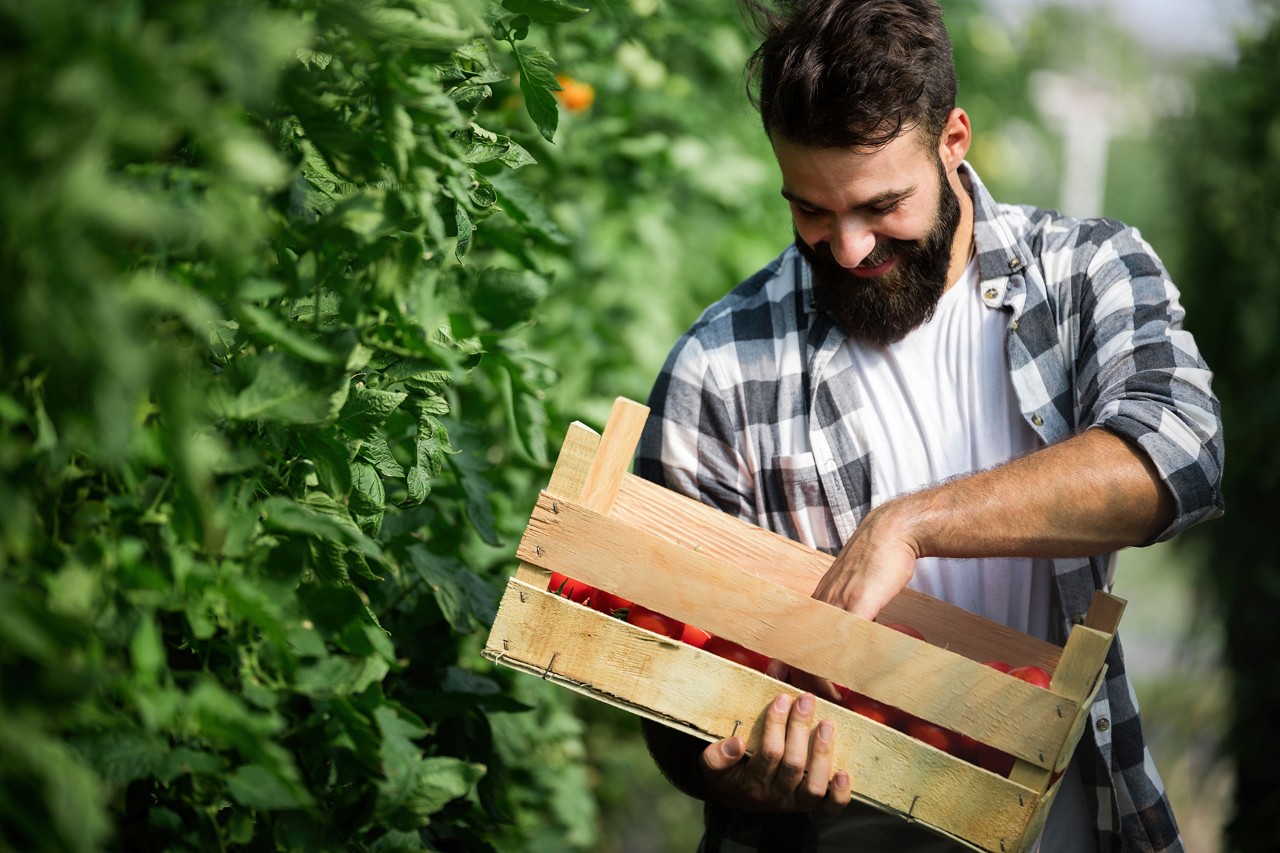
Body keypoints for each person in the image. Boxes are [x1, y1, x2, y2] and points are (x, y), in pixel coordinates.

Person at [633, 1, 1225, 851]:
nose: (846, 247)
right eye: (809, 211)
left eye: (881, 206)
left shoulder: (1087, 273)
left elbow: (1186, 453)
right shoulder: (721, 367)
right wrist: (741, 774)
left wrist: (910, 525)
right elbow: (664, 687)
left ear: (954, 141)